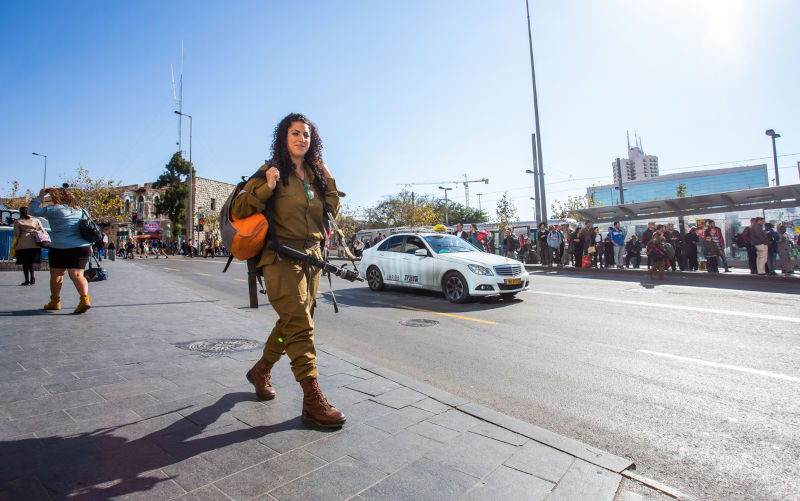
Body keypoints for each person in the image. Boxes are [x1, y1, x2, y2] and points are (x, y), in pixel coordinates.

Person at [230, 113, 345, 428]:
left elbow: (333, 210)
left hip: (312, 257)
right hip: (280, 257)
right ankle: (312, 397)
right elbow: (239, 209)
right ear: (284, 137)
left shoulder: (314, 174)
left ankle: (261, 369)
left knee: (290, 324)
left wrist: (329, 179)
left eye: (306, 135)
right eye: (295, 133)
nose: (301, 139)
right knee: (300, 323)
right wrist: (266, 187)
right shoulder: (271, 171)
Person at [28, 186, 93, 314]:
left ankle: (55, 301)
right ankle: (85, 300)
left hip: (60, 246)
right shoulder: (81, 210)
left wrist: (40, 196)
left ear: (55, 198)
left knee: (57, 274)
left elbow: (33, 211)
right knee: (77, 275)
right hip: (82, 246)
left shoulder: (53, 209)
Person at [12, 206, 45, 286]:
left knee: (25, 263)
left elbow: (17, 234)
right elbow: (41, 230)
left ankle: (26, 280)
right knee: (31, 263)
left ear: (20, 212)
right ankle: (33, 278)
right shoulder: (36, 220)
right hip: (35, 244)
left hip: (23, 245)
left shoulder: (18, 221)